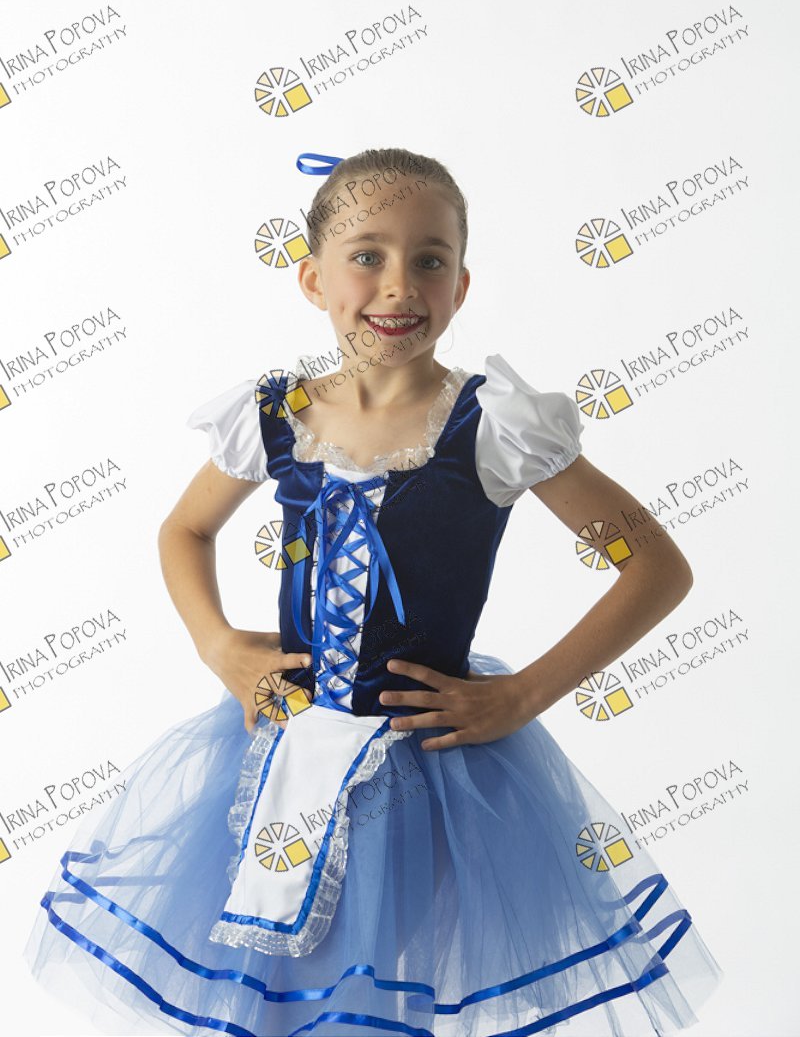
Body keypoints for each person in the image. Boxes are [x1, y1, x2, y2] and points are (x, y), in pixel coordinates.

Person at [23, 147, 724, 1037]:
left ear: (460, 285)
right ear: (314, 279)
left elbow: (655, 565)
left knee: (376, 994)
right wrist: (217, 642)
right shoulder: (279, 415)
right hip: (278, 750)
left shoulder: (495, 426)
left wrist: (521, 694)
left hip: (425, 774)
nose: (399, 284)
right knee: (274, 996)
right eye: (368, 255)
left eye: (429, 258)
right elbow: (184, 530)